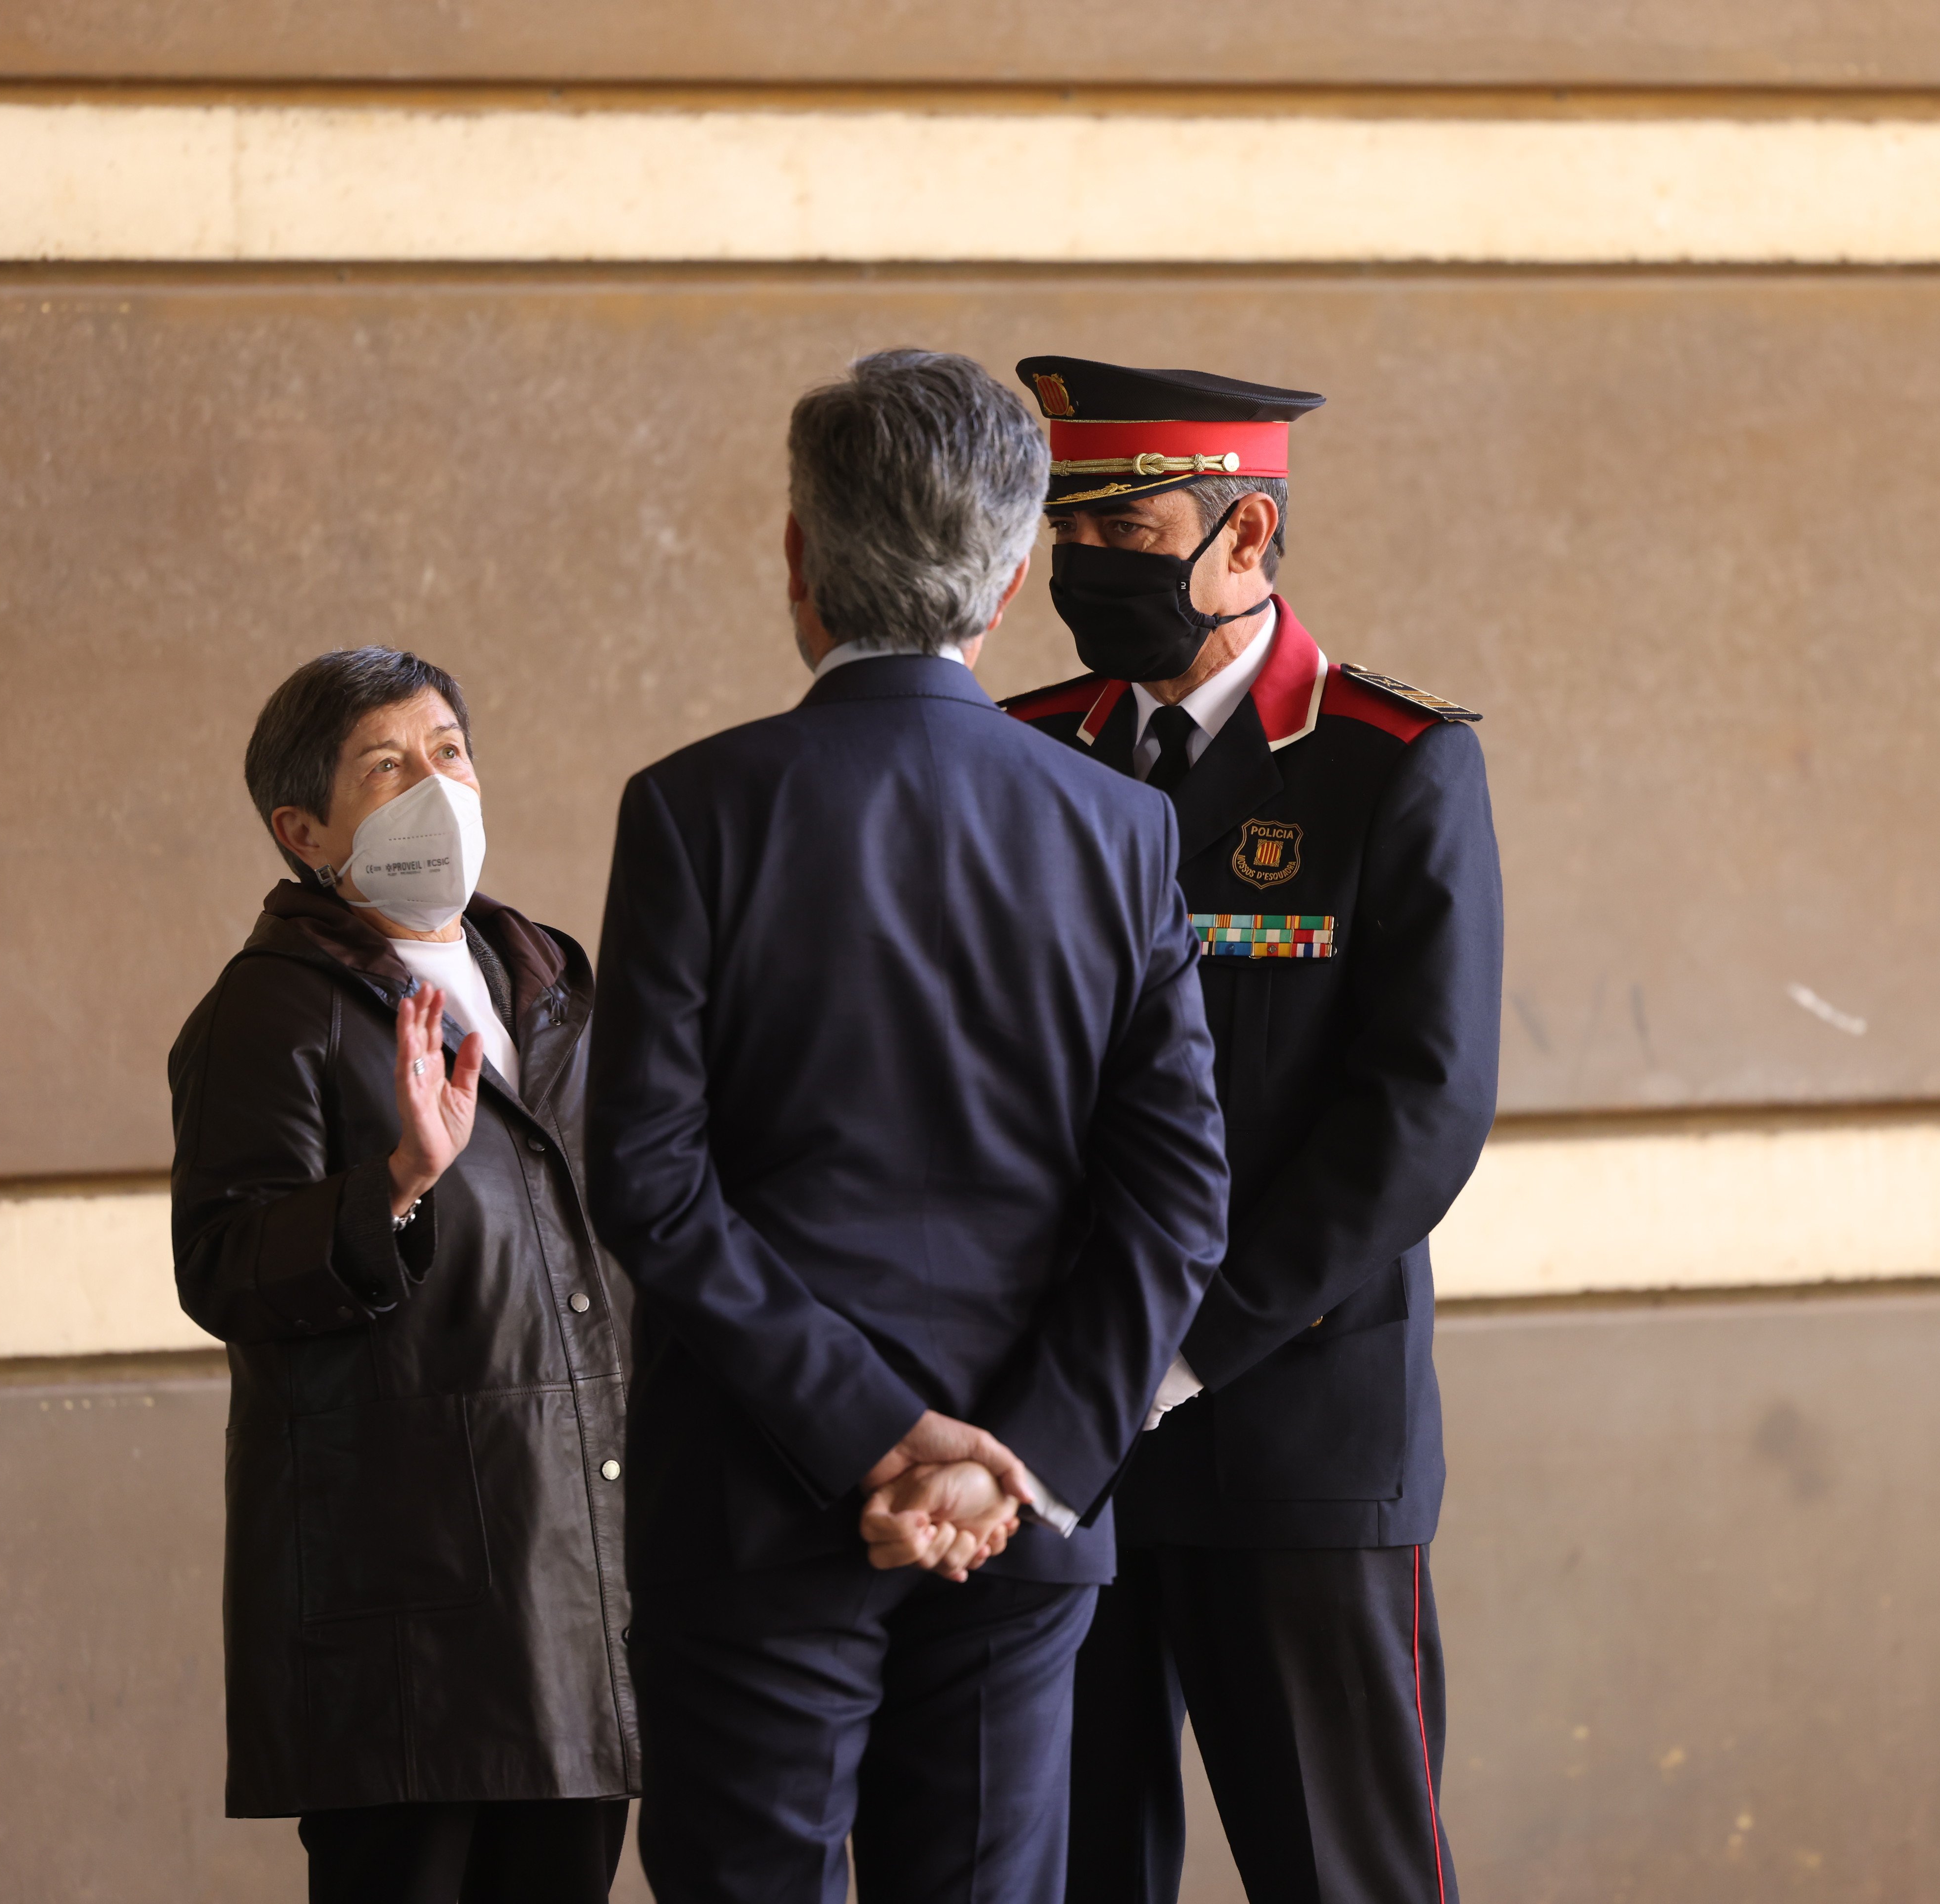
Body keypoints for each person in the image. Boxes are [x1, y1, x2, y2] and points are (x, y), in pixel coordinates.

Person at [585, 349, 1232, 1904]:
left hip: (757, 1501)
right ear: (1012, 583)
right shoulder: (1124, 829)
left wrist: (875, 1434)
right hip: (1022, 1526)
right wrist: (1017, 1462)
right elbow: (1179, 1204)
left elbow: (650, 1181)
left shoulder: (694, 809)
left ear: (799, 558)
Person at [1004, 357, 1504, 1904]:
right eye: (1070, 533)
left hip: (1294, 1432)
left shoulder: (1388, 767)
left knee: (1339, 1872)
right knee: (1067, 1870)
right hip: (1054, 1444)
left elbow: (1418, 1116)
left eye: (1135, 526)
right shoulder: (1025, 753)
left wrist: (1183, 1350)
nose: (1093, 568)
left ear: (1247, 537)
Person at [167, 647, 638, 1904]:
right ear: (302, 829)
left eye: (449, 751)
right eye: (386, 766)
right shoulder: (269, 1015)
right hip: (406, 1624)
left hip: (572, 1595)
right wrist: (394, 1187)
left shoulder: (549, 985)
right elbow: (223, 1267)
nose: (436, 784)